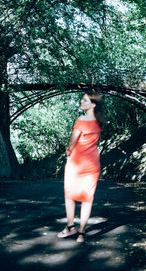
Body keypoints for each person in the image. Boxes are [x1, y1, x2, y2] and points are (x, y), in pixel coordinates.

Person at [57, 92, 104, 243]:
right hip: (93, 163)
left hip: (76, 163)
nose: (81, 102)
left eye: (85, 100)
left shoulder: (82, 120)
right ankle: (81, 234)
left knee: (70, 195)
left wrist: (68, 151)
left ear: (93, 104)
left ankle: (70, 227)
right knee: (87, 199)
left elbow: (72, 142)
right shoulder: (99, 121)